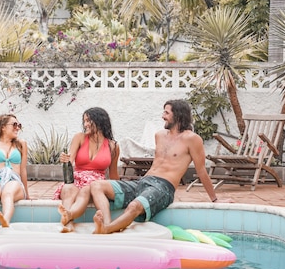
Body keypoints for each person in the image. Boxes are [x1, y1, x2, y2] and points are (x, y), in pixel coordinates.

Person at [89, 99, 230, 234]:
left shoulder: (192, 139)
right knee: (97, 185)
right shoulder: (159, 135)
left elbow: (201, 171)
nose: (163, 116)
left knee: (134, 206)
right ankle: (105, 224)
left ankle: (107, 230)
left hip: (164, 187)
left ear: (179, 115)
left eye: (167, 113)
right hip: (143, 182)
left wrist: (215, 199)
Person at [53, 107, 120, 232]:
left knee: (85, 191)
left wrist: (118, 194)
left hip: (95, 183)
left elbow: (114, 175)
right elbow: (70, 160)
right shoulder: (80, 137)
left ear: (99, 121)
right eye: (84, 121)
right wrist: (65, 158)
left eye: (88, 121)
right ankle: (69, 224)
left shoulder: (113, 146)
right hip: (77, 177)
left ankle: (69, 216)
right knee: (68, 189)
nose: (85, 124)